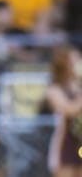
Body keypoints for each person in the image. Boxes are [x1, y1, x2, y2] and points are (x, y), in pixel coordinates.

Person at [40, 46, 82, 177]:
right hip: (64, 144)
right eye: (74, 60)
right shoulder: (54, 90)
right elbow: (69, 110)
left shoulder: (78, 87)